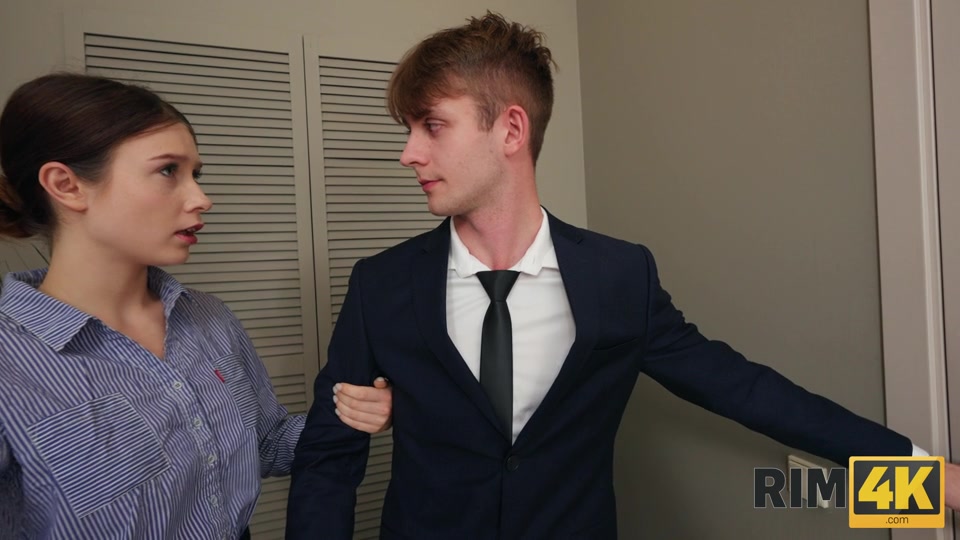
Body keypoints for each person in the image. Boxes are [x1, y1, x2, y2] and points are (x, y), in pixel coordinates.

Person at [287, 12, 960, 539]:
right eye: (409, 129)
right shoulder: (381, 285)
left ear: (511, 130)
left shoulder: (618, 277)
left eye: (432, 126)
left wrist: (929, 481)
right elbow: (328, 460)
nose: (409, 152)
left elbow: (748, 392)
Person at [0, 73, 393, 539]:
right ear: (66, 185)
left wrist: (353, 413)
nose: (201, 199)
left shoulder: (209, 318)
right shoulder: (11, 365)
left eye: (195, 174)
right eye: (168, 170)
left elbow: (268, 442)